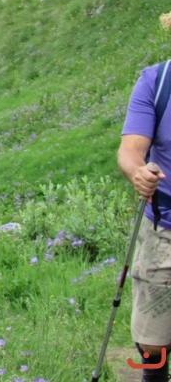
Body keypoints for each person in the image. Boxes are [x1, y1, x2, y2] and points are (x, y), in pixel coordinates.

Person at [119, 60, 171, 380]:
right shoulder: (158, 81)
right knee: (152, 344)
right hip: (164, 227)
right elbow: (130, 149)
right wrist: (138, 172)